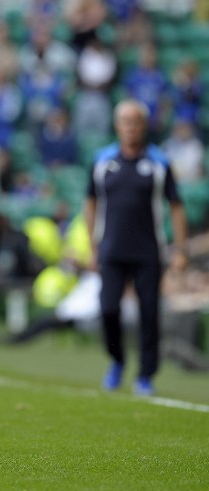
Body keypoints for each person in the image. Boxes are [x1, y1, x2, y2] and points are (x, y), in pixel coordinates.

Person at [85, 99, 188, 396]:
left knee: (149, 314)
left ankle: (145, 374)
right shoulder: (102, 160)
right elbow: (90, 202)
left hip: (148, 250)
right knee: (108, 309)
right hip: (111, 249)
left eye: (136, 121)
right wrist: (92, 245)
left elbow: (176, 207)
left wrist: (180, 250)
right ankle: (117, 360)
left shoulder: (159, 162)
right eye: (125, 121)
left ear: (144, 125)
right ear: (117, 125)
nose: (130, 127)